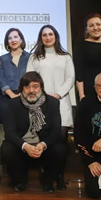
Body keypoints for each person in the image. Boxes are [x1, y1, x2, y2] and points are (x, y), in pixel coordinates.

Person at [26, 24, 75, 189]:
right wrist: (42, 97)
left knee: (60, 142)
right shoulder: (35, 57)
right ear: (41, 38)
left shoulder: (65, 56)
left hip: (61, 103)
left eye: (50, 34)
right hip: (40, 104)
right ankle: (46, 175)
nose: (47, 37)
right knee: (43, 141)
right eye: (44, 35)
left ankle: (59, 176)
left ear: (55, 36)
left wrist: (57, 94)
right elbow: (29, 79)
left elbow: (70, 78)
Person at [1, 71, 65, 192]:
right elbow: (9, 132)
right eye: (27, 87)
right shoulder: (13, 104)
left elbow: (56, 131)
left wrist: (42, 145)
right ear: (22, 89)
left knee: (60, 148)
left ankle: (47, 182)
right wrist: (25, 146)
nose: (31, 90)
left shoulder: (52, 103)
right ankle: (20, 181)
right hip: (22, 146)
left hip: (42, 146)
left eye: (35, 86)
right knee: (7, 149)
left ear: (41, 88)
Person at [74, 13, 101, 100]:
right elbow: (79, 72)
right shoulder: (80, 46)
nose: (95, 28)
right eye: (91, 25)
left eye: (98, 24)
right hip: (89, 91)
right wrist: (81, 94)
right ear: (87, 29)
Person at [0, 28, 30, 124]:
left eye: (15, 37)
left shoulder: (30, 57)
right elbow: (0, 79)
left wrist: (23, 94)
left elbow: (32, 78)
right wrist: (12, 95)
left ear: (21, 39)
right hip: (6, 99)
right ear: (7, 42)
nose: (13, 40)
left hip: (26, 97)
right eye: (10, 38)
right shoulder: (2, 59)